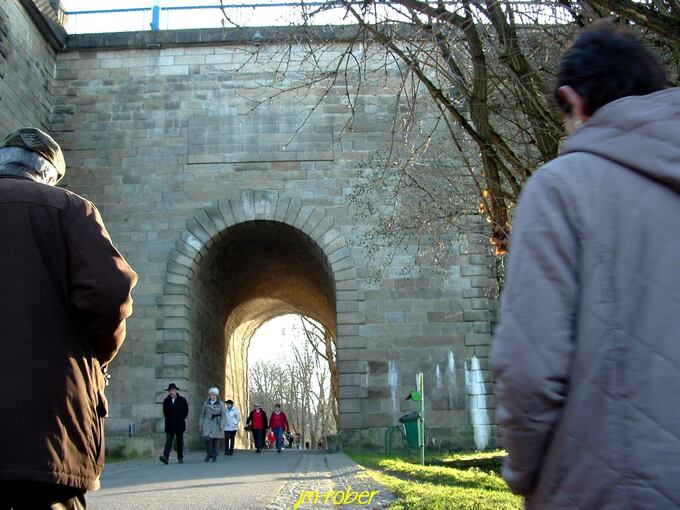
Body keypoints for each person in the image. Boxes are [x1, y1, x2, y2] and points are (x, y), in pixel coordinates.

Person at [491, 22, 679, 509]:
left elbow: (530, 369)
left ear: (574, 102)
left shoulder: (561, 188)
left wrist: (523, 471)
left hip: (605, 488)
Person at [0, 128, 137, 509]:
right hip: (44, 433)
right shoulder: (69, 209)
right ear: (47, 173)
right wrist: (96, 357)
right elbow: (109, 292)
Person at [159, 383, 189, 465]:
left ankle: (180, 457)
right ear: (168, 392)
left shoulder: (182, 400)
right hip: (169, 424)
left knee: (179, 441)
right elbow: (165, 412)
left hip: (179, 424)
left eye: (173, 390)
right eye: (170, 391)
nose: (172, 392)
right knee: (169, 440)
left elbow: (186, 411)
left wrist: (181, 418)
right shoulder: (166, 401)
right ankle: (166, 457)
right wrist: (169, 418)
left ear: (176, 391)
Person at [199, 387, 225, 462]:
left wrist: (222, 424)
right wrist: (201, 424)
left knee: (215, 439)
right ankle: (209, 453)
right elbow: (202, 414)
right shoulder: (206, 403)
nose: (212, 396)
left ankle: (214, 455)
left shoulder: (220, 403)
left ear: (216, 396)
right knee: (207, 438)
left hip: (217, 423)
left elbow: (224, 415)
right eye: (211, 395)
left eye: (214, 395)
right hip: (207, 423)